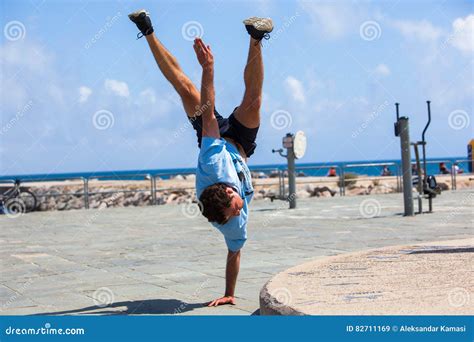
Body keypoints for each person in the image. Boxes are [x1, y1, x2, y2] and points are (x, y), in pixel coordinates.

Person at [128, 10, 273, 307]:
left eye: (236, 205)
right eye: (237, 211)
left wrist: (208, 67)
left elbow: (208, 110)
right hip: (241, 144)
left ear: (228, 189)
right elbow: (234, 253)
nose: (241, 208)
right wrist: (230, 293)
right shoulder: (231, 223)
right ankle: (256, 37)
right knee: (254, 101)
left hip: (216, 137)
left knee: (185, 88)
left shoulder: (212, 164)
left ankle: (147, 29)